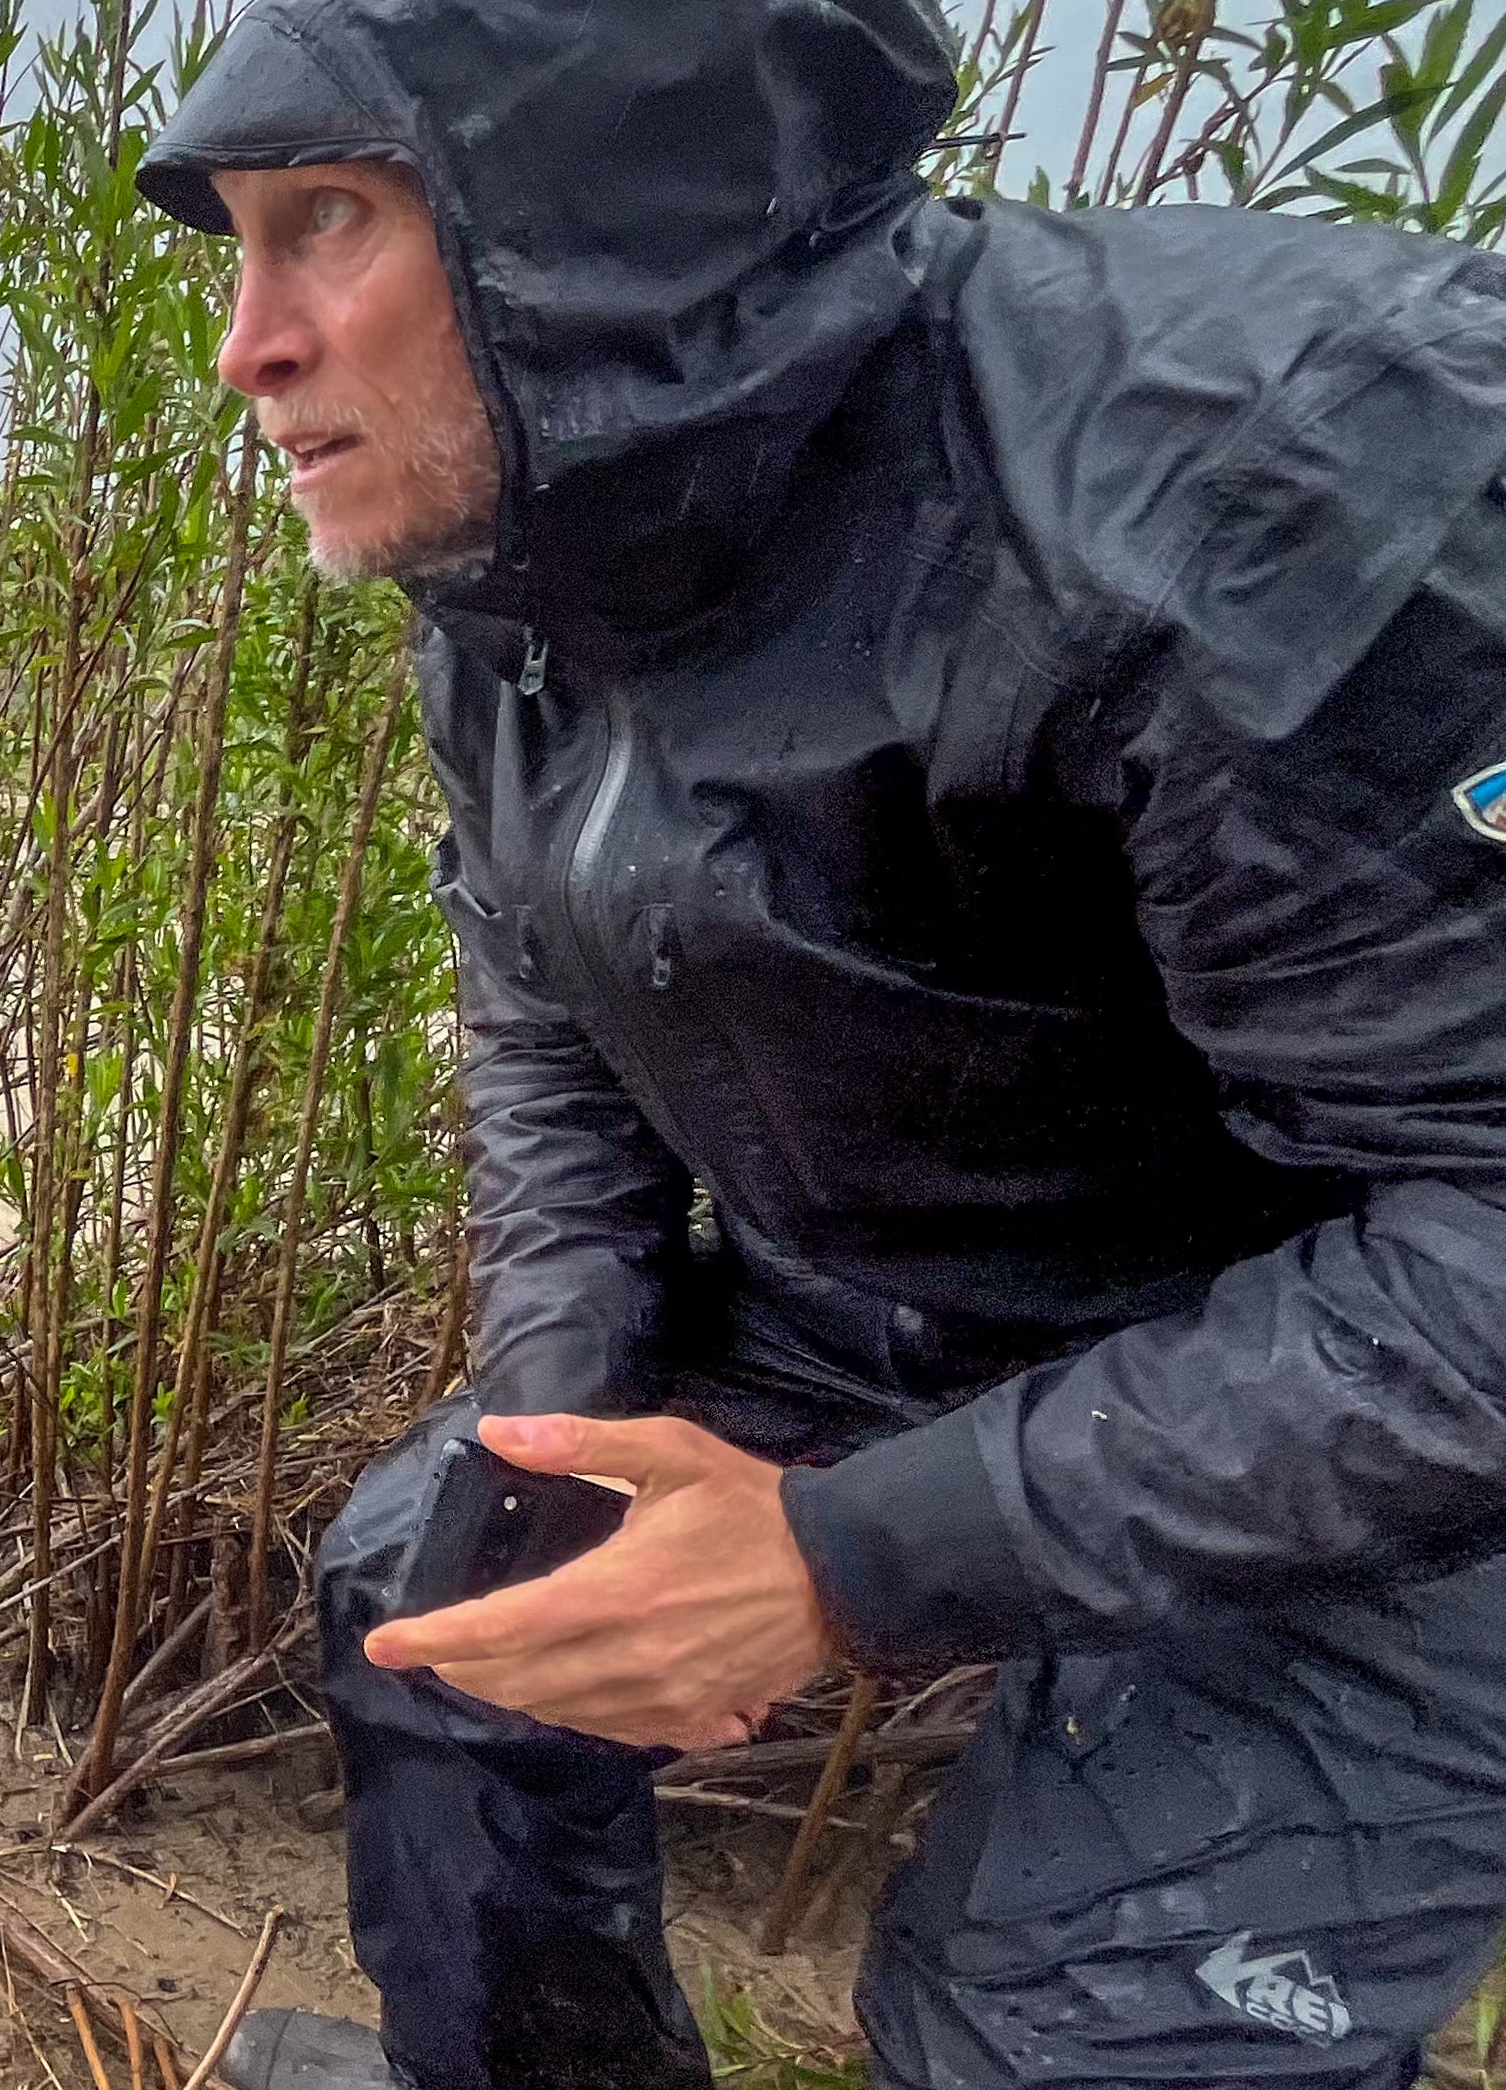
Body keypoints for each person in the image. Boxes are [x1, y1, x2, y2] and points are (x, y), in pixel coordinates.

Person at [128, 1, 1506, 2085]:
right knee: (455, 1602)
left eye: (324, 218)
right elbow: (548, 1018)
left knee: (1046, 2016)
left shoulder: (1279, 483)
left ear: (590, 220)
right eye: (235, 243)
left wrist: (846, 1565)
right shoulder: (517, 549)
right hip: (918, 1294)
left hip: (1400, 1422)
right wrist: (568, 1438)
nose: (248, 343)